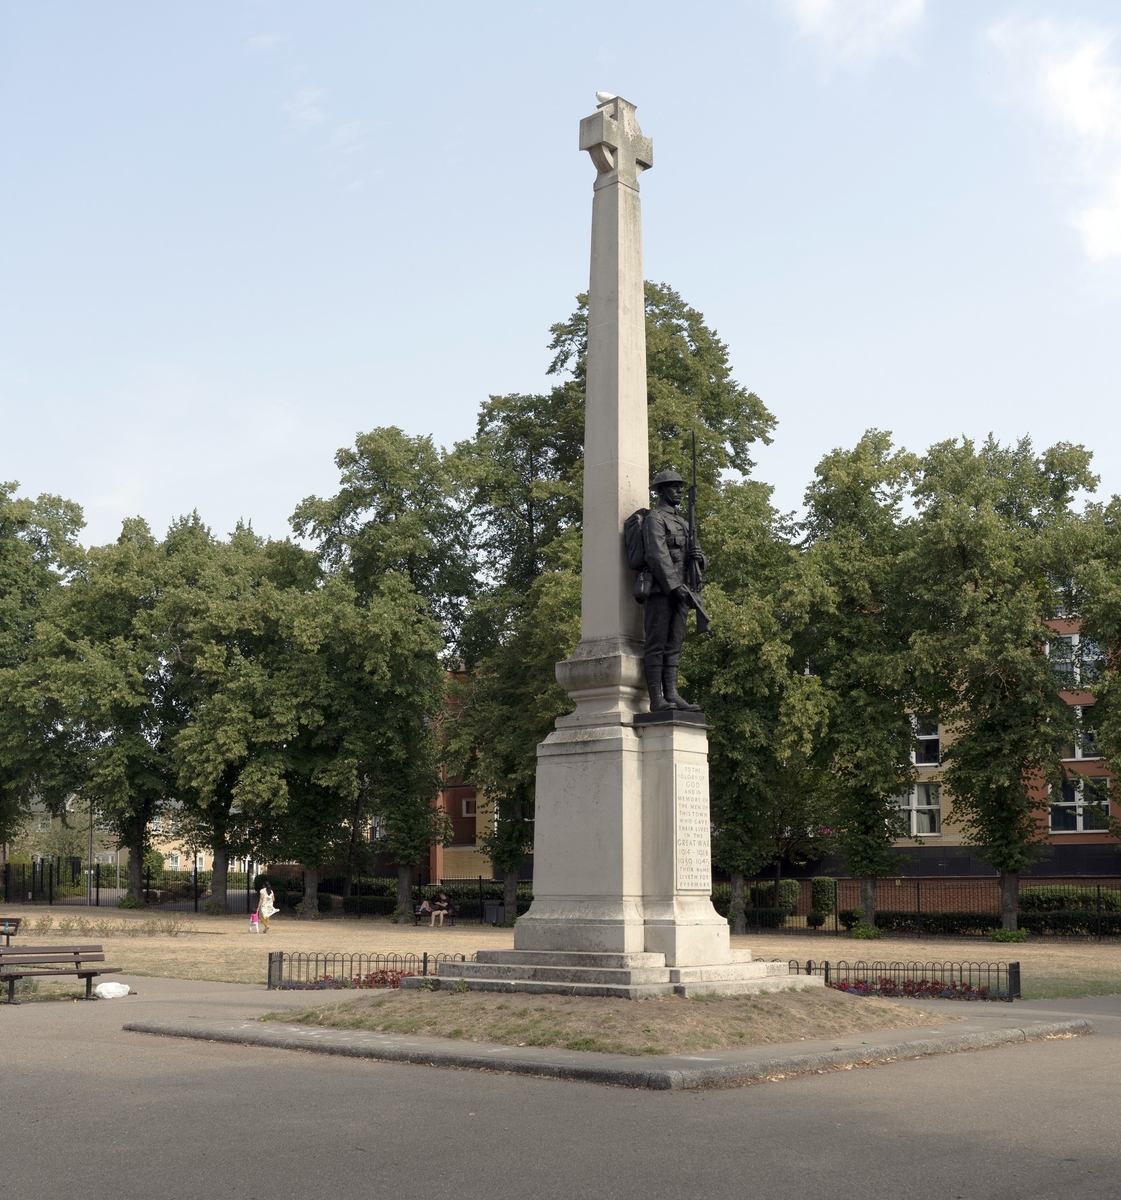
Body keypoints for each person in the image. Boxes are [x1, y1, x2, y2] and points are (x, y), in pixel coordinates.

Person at [638, 469, 705, 712]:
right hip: (661, 590)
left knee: (674, 645)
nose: (678, 491)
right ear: (662, 490)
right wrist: (674, 587)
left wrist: (700, 558)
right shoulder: (655, 519)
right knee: (656, 644)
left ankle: (672, 693)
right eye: (674, 486)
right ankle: (657, 698)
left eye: (679, 486)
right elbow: (657, 556)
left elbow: (694, 556)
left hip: (684, 591)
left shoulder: (684, 524)